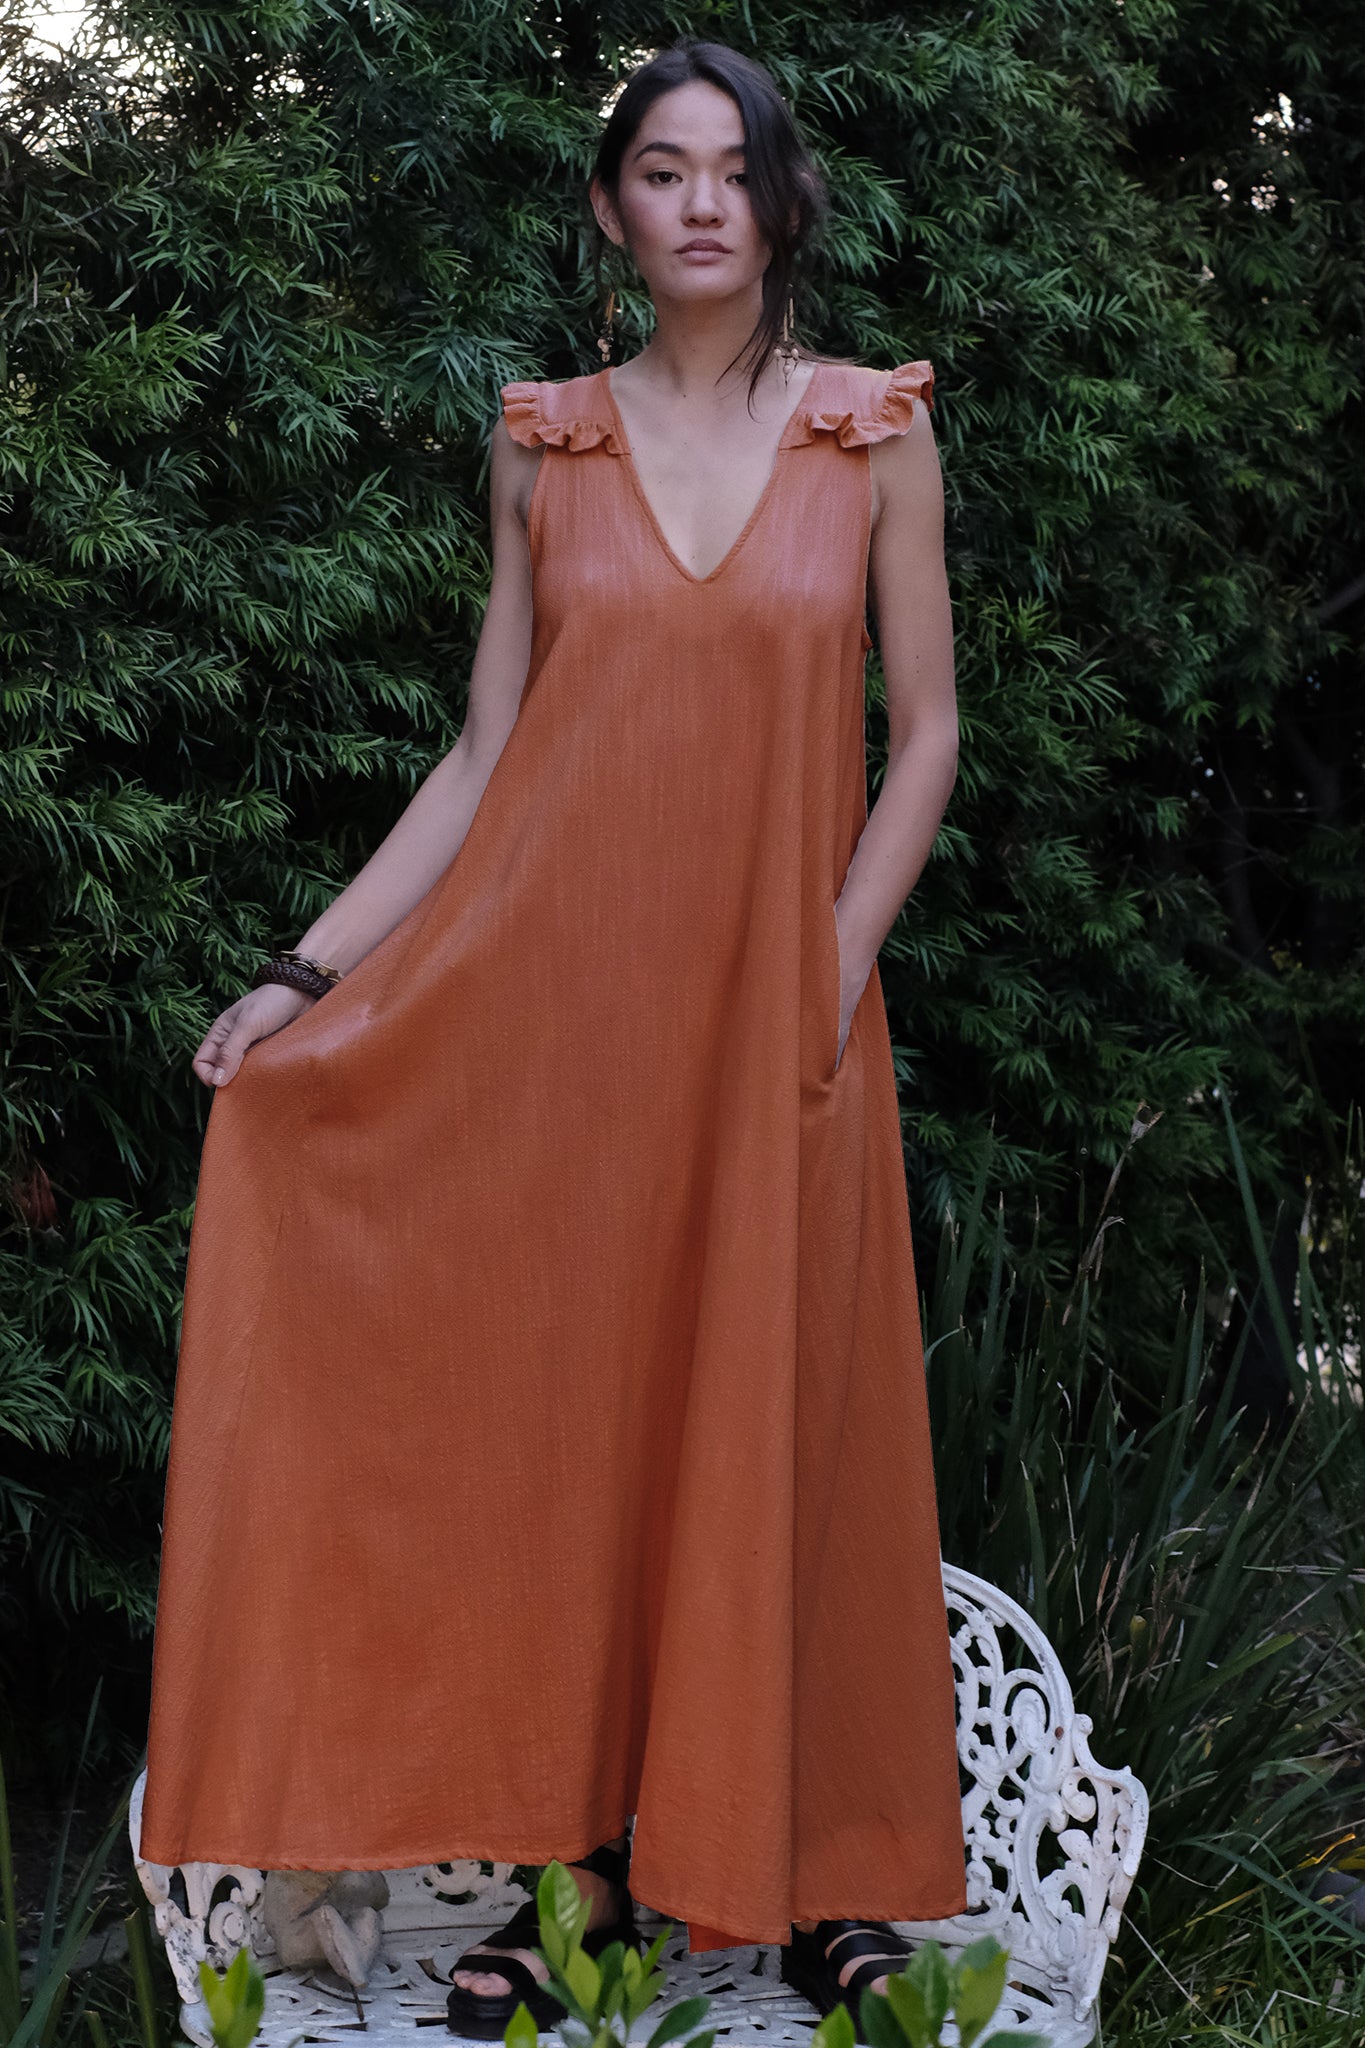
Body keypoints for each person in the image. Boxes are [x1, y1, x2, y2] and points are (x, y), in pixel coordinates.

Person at [138, 35, 967, 2045]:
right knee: (583, 1439)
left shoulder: (873, 433)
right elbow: (484, 749)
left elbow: (925, 731)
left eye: (732, 169)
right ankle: (564, 1880)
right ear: (609, 211)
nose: (698, 200)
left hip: (779, 1034)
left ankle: (819, 1880)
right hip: (562, 1038)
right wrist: (308, 977)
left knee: (789, 1421)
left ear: (779, 208)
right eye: (658, 169)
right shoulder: (542, 445)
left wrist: (834, 963)